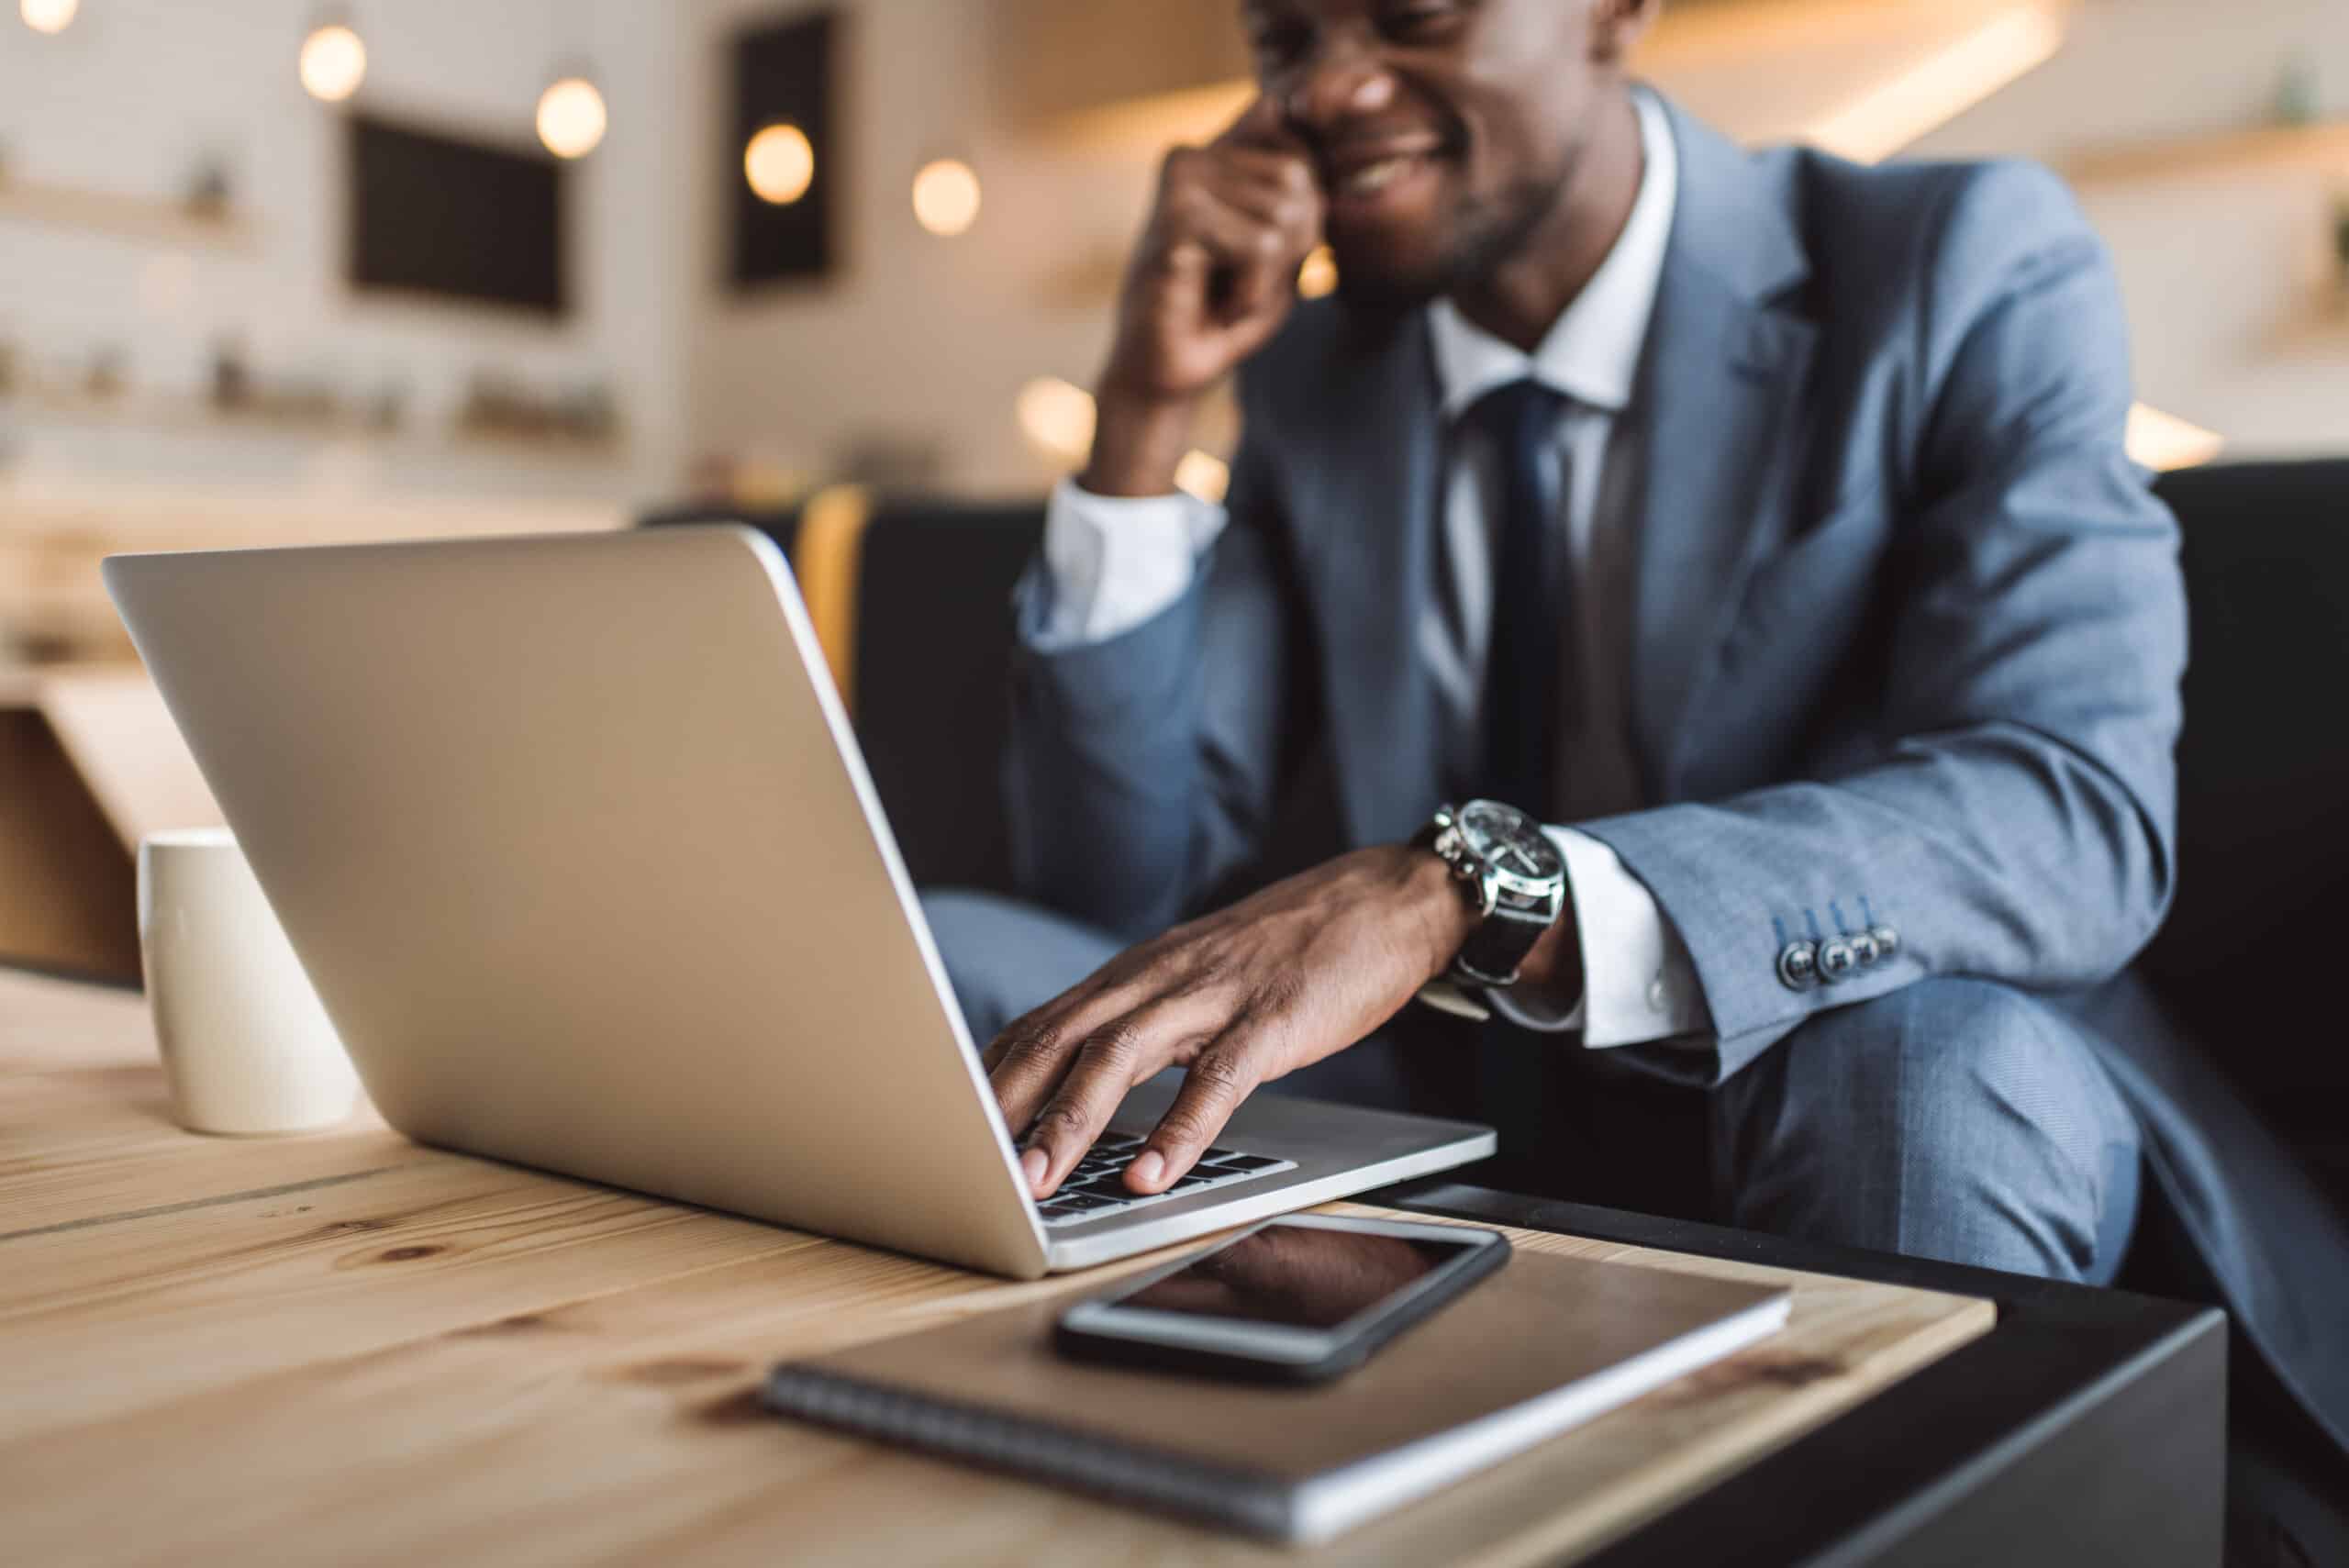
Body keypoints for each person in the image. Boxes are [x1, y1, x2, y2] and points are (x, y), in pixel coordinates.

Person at [928, 0, 2349, 1475]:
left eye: (1412, 15)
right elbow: (1115, 892)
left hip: (1857, 1092)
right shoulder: (1318, 375)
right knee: (963, 961)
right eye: (1287, 34)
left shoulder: (1961, 260)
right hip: (1456, 1106)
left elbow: (2071, 811)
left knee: (1919, 1075)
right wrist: (1145, 423)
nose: (1333, 87)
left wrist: (1472, 895)